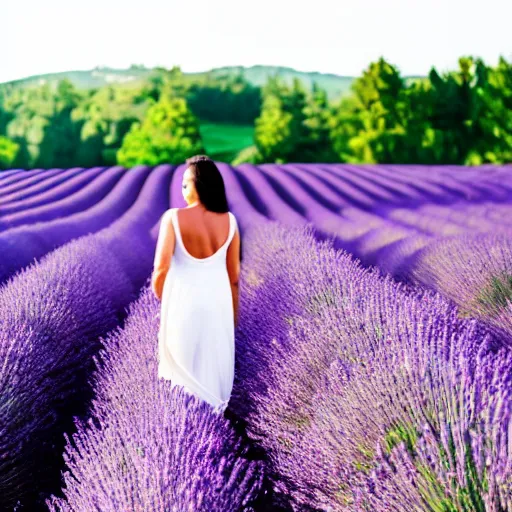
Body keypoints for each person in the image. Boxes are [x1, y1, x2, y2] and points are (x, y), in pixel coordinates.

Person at [151, 155, 240, 414]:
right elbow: (234, 277)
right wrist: (233, 320)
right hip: (219, 309)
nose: (183, 190)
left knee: (182, 380)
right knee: (213, 381)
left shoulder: (173, 218)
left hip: (183, 306)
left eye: (186, 184)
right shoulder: (230, 221)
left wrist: (164, 300)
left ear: (199, 185)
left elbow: (161, 269)